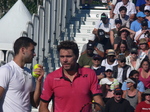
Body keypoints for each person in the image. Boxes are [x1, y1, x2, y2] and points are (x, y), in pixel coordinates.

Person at [39, 41, 104, 112]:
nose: (65, 60)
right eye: (62, 56)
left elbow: (99, 102)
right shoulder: (51, 77)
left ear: (77, 56)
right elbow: (42, 107)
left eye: (68, 56)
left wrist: (98, 109)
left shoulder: (90, 74)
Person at [0, 37, 44, 112]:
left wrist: (39, 81)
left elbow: (35, 103)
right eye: (32, 51)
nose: (34, 54)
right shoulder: (6, 70)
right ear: (23, 50)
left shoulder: (29, 73)